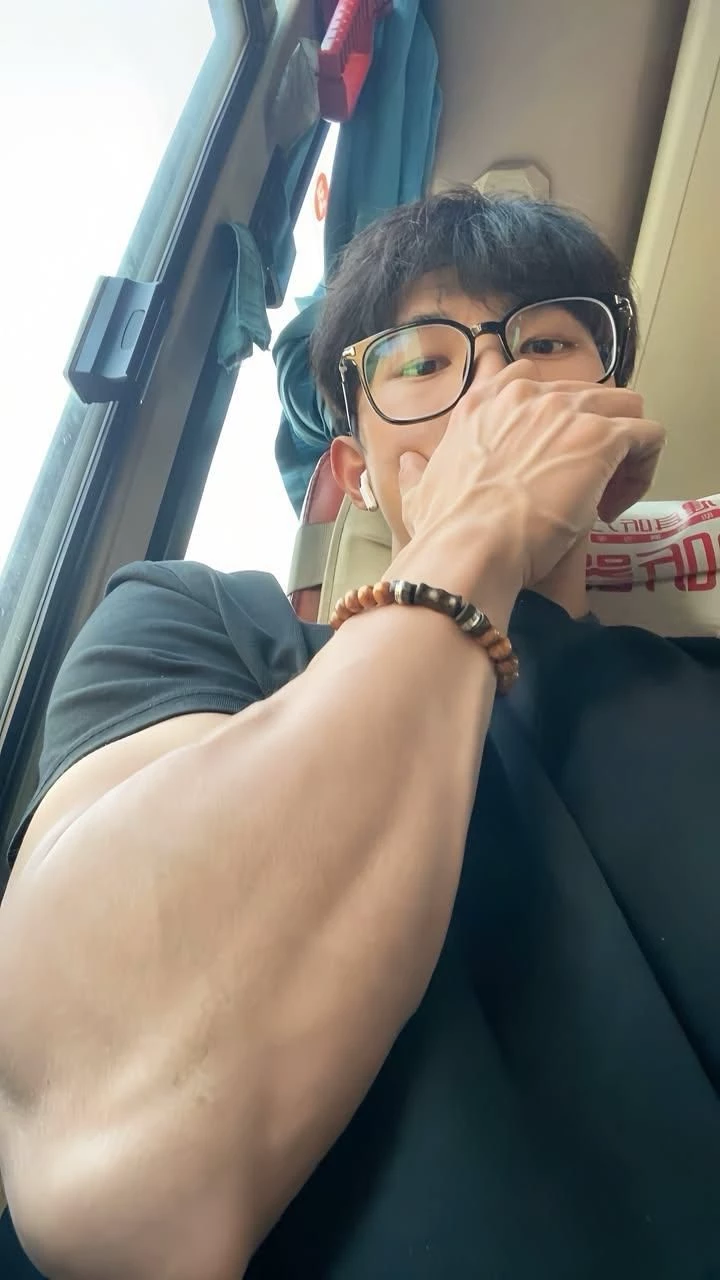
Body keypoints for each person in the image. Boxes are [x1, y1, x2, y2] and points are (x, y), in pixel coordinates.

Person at [0, 188, 718, 1280]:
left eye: (547, 343)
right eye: (422, 362)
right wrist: (483, 524)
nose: (497, 389)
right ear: (351, 473)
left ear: (613, 424)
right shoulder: (203, 627)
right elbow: (108, 1162)